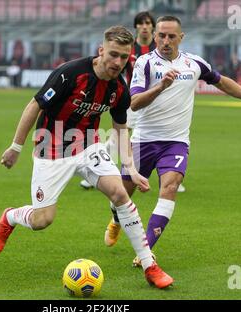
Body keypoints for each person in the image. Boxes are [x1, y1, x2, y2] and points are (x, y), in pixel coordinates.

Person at [0, 26, 174, 289]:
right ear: (101, 51)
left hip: (88, 147)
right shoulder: (70, 73)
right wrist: (15, 147)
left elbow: (121, 129)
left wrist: (131, 169)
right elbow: (34, 105)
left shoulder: (119, 89)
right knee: (43, 220)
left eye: (124, 57)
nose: (118, 62)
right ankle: (10, 217)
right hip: (51, 151)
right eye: (113, 55)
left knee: (120, 194)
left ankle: (149, 265)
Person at [104, 16, 241, 267]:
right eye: (161, 36)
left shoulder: (194, 63)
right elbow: (134, 102)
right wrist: (161, 87)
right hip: (143, 140)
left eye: (171, 36)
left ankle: (145, 251)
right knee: (122, 195)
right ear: (155, 37)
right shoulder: (145, 63)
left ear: (181, 37)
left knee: (170, 187)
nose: (166, 41)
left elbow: (222, 82)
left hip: (176, 142)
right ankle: (115, 219)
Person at [79, 12, 190, 192]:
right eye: (141, 23)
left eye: (148, 23)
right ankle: (95, 169)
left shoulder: (161, 47)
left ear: (153, 27)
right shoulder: (130, 49)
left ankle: (170, 174)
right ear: (137, 26)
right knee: (119, 136)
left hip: (157, 101)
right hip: (135, 100)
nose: (144, 26)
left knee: (162, 134)